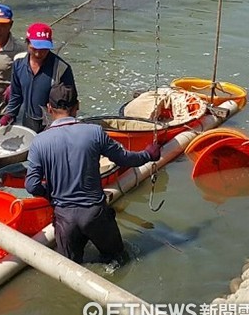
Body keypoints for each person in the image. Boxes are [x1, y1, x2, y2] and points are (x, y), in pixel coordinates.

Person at [25, 83, 161, 264]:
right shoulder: (94, 132)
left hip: (65, 220)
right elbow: (124, 159)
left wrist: (49, 193)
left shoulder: (39, 142)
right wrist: (148, 154)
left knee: (71, 270)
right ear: (77, 106)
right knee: (118, 261)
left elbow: (31, 185)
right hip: (95, 214)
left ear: (49, 108)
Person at [0, 23, 77, 133]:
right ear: (27, 43)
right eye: (34, 48)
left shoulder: (62, 68)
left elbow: (70, 104)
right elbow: (16, 94)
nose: (38, 53)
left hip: (52, 125)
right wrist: (9, 115)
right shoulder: (18, 62)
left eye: (43, 49)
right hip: (28, 119)